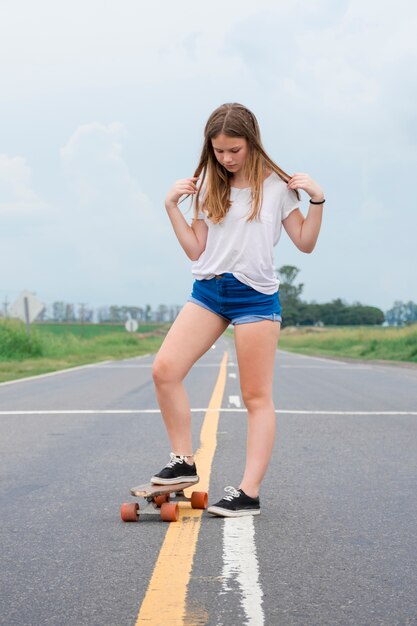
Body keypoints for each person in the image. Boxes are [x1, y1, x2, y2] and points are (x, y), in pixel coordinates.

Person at [150, 102, 324, 517]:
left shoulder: (279, 186)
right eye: (219, 151)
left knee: (255, 396)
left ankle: (248, 493)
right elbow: (196, 247)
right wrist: (172, 207)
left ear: (252, 142)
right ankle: (182, 460)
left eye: (234, 150)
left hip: (255, 298)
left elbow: (305, 241)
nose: (226, 159)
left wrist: (317, 200)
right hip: (209, 291)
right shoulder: (211, 181)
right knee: (164, 370)